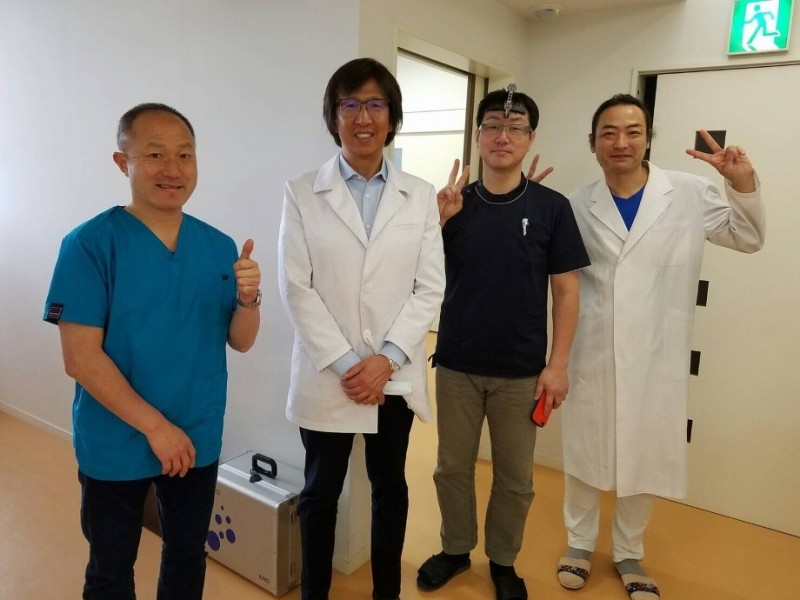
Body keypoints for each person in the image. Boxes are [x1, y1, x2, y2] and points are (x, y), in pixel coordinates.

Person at [43, 103, 262, 599]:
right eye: (155, 154)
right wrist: (157, 428)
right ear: (123, 163)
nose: (173, 169)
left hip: (196, 433)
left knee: (187, 554)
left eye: (185, 155)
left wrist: (250, 298)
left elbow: (241, 340)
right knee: (110, 567)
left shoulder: (217, 246)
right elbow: (80, 358)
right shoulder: (89, 245)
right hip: (116, 439)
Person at [556, 94, 765, 599]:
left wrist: (741, 184)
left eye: (633, 131)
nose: (621, 142)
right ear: (592, 143)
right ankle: (579, 544)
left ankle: (629, 552)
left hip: (657, 352)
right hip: (591, 350)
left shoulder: (689, 193)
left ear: (648, 139)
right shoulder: (575, 206)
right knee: (584, 452)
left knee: (645, 454)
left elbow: (747, 237)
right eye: (608, 133)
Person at [277, 58, 445, 600]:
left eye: (375, 104)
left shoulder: (420, 194)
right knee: (319, 493)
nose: (363, 117)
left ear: (392, 117)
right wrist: (353, 366)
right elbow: (296, 287)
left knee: (390, 489)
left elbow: (429, 287)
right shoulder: (302, 191)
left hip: (393, 374)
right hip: (331, 373)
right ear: (334, 116)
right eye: (349, 104)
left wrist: (385, 360)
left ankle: (385, 594)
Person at [416, 86, 590, 600]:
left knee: (515, 478)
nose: (503, 136)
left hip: (521, 373)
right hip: (457, 365)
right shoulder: (454, 205)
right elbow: (415, 275)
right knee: (451, 467)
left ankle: (503, 561)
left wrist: (558, 366)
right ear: (478, 136)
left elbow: (566, 290)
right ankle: (455, 549)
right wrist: (437, 222)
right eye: (492, 125)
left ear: (530, 138)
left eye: (515, 127)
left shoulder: (552, 207)